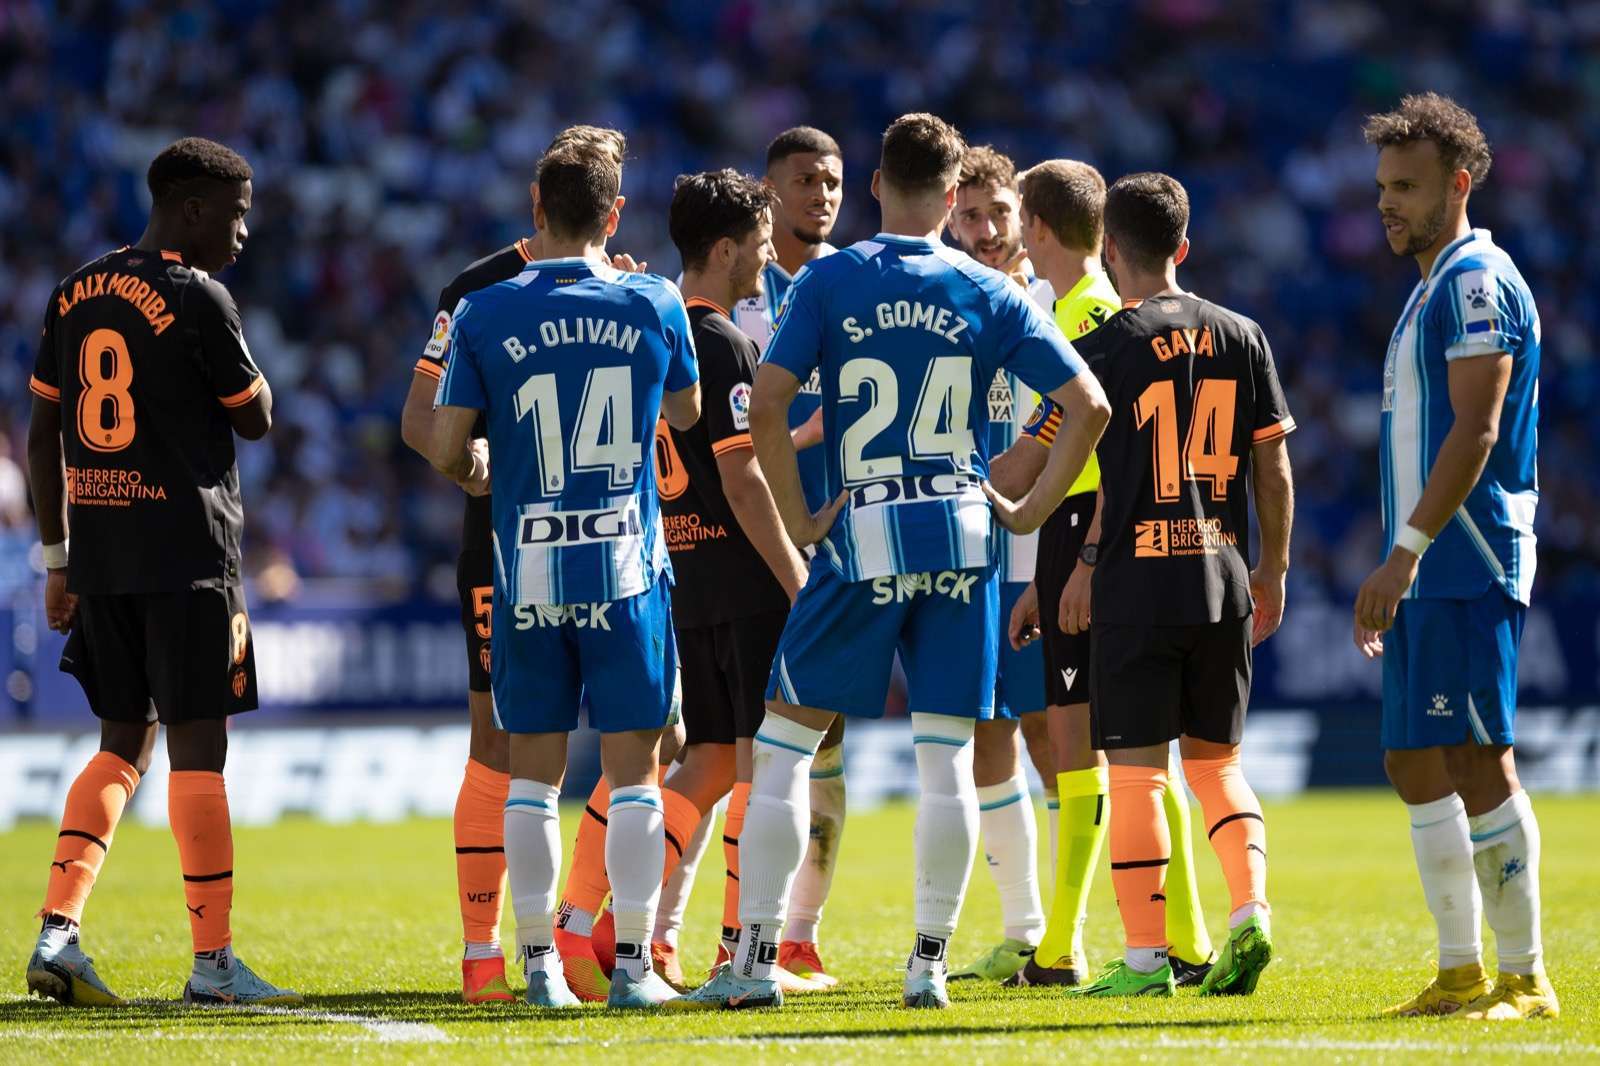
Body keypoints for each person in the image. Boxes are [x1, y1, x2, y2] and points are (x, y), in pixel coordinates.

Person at [685, 112, 1110, 1011]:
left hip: (864, 528)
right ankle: (928, 964)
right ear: (952, 197)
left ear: (876, 185)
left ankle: (755, 958)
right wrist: (1028, 509)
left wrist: (802, 521)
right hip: (961, 537)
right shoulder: (987, 289)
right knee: (948, 759)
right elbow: (1091, 405)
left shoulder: (832, 278)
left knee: (785, 746)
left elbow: (767, 404)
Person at [424, 127, 701, 1010]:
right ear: (615, 213)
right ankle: (628, 971)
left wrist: (480, 469)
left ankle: (536, 964)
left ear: (535, 208)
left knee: (531, 776)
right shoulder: (654, 301)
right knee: (636, 776)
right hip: (624, 565)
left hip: (528, 567)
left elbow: (439, 443)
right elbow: (690, 414)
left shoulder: (484, 310)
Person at [24, 137, 296, 1007]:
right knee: (199, 753)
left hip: (102, 556)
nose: (243, 233)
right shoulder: (199, 295)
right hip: (188, 558)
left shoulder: (75, 291)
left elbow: (41, 434)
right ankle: (214, 965)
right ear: (189, 207)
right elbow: (254, 419)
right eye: (235, 212)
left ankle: (58, 932)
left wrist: (56, 557)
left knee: (120, 744)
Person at [1059, 172, 1295, 998]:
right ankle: (1251, 915)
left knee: (1136, 776)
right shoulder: (1243, 335)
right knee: (1219, 767)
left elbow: (1081, 470)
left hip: (1136, 584)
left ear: (1111, 251)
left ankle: (1144, 959)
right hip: (1222, 578)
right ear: (1184, 248)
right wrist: (1273, 568)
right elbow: (1273, 465)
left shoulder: (1105, 347)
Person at [993, 160, 1218, 988]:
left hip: (1092, 535)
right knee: (1118, 752)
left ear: (1038, 227)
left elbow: (1048, 460)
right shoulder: (1078, 309)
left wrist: (1075, 559)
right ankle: (1180, 939)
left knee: (1089, 749)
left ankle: (1066, 947)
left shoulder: (1088, 318)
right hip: (1080, 537)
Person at [1358, 93, 1556, 1021]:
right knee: (1411, 757)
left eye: (1408, 187)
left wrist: (1402, 555)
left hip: (1465, 558)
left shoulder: (1478, 281)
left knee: (1479, 758)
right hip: (1427, 562)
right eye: (1385, 187)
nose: (1388, 203)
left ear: (1460, 185)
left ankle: (1524, 975)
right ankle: (1461, 970)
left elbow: (1475, 429)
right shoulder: (1432, 285)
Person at [657, 169, 822, 995]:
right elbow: (744, 476)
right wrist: (796, 575)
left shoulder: (651, 330)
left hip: (687, 577)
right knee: (763, 764)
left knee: (709, 759)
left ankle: (624, 931)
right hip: (745, 577)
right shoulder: (718, 341)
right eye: (758, 241)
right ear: (724, 249)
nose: (767, 254)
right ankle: (743, 948)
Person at [941, 145, 1055, 983]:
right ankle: (1025, 925)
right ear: (949, 212)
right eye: (970, 216)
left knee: (1060, 738)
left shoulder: (1053, 295)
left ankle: (1109, 925)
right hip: (976, 548)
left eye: (999, 216)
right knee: (990, 740)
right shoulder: (942, 297)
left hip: (1045, 546)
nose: (985, 232)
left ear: (1023, 214)